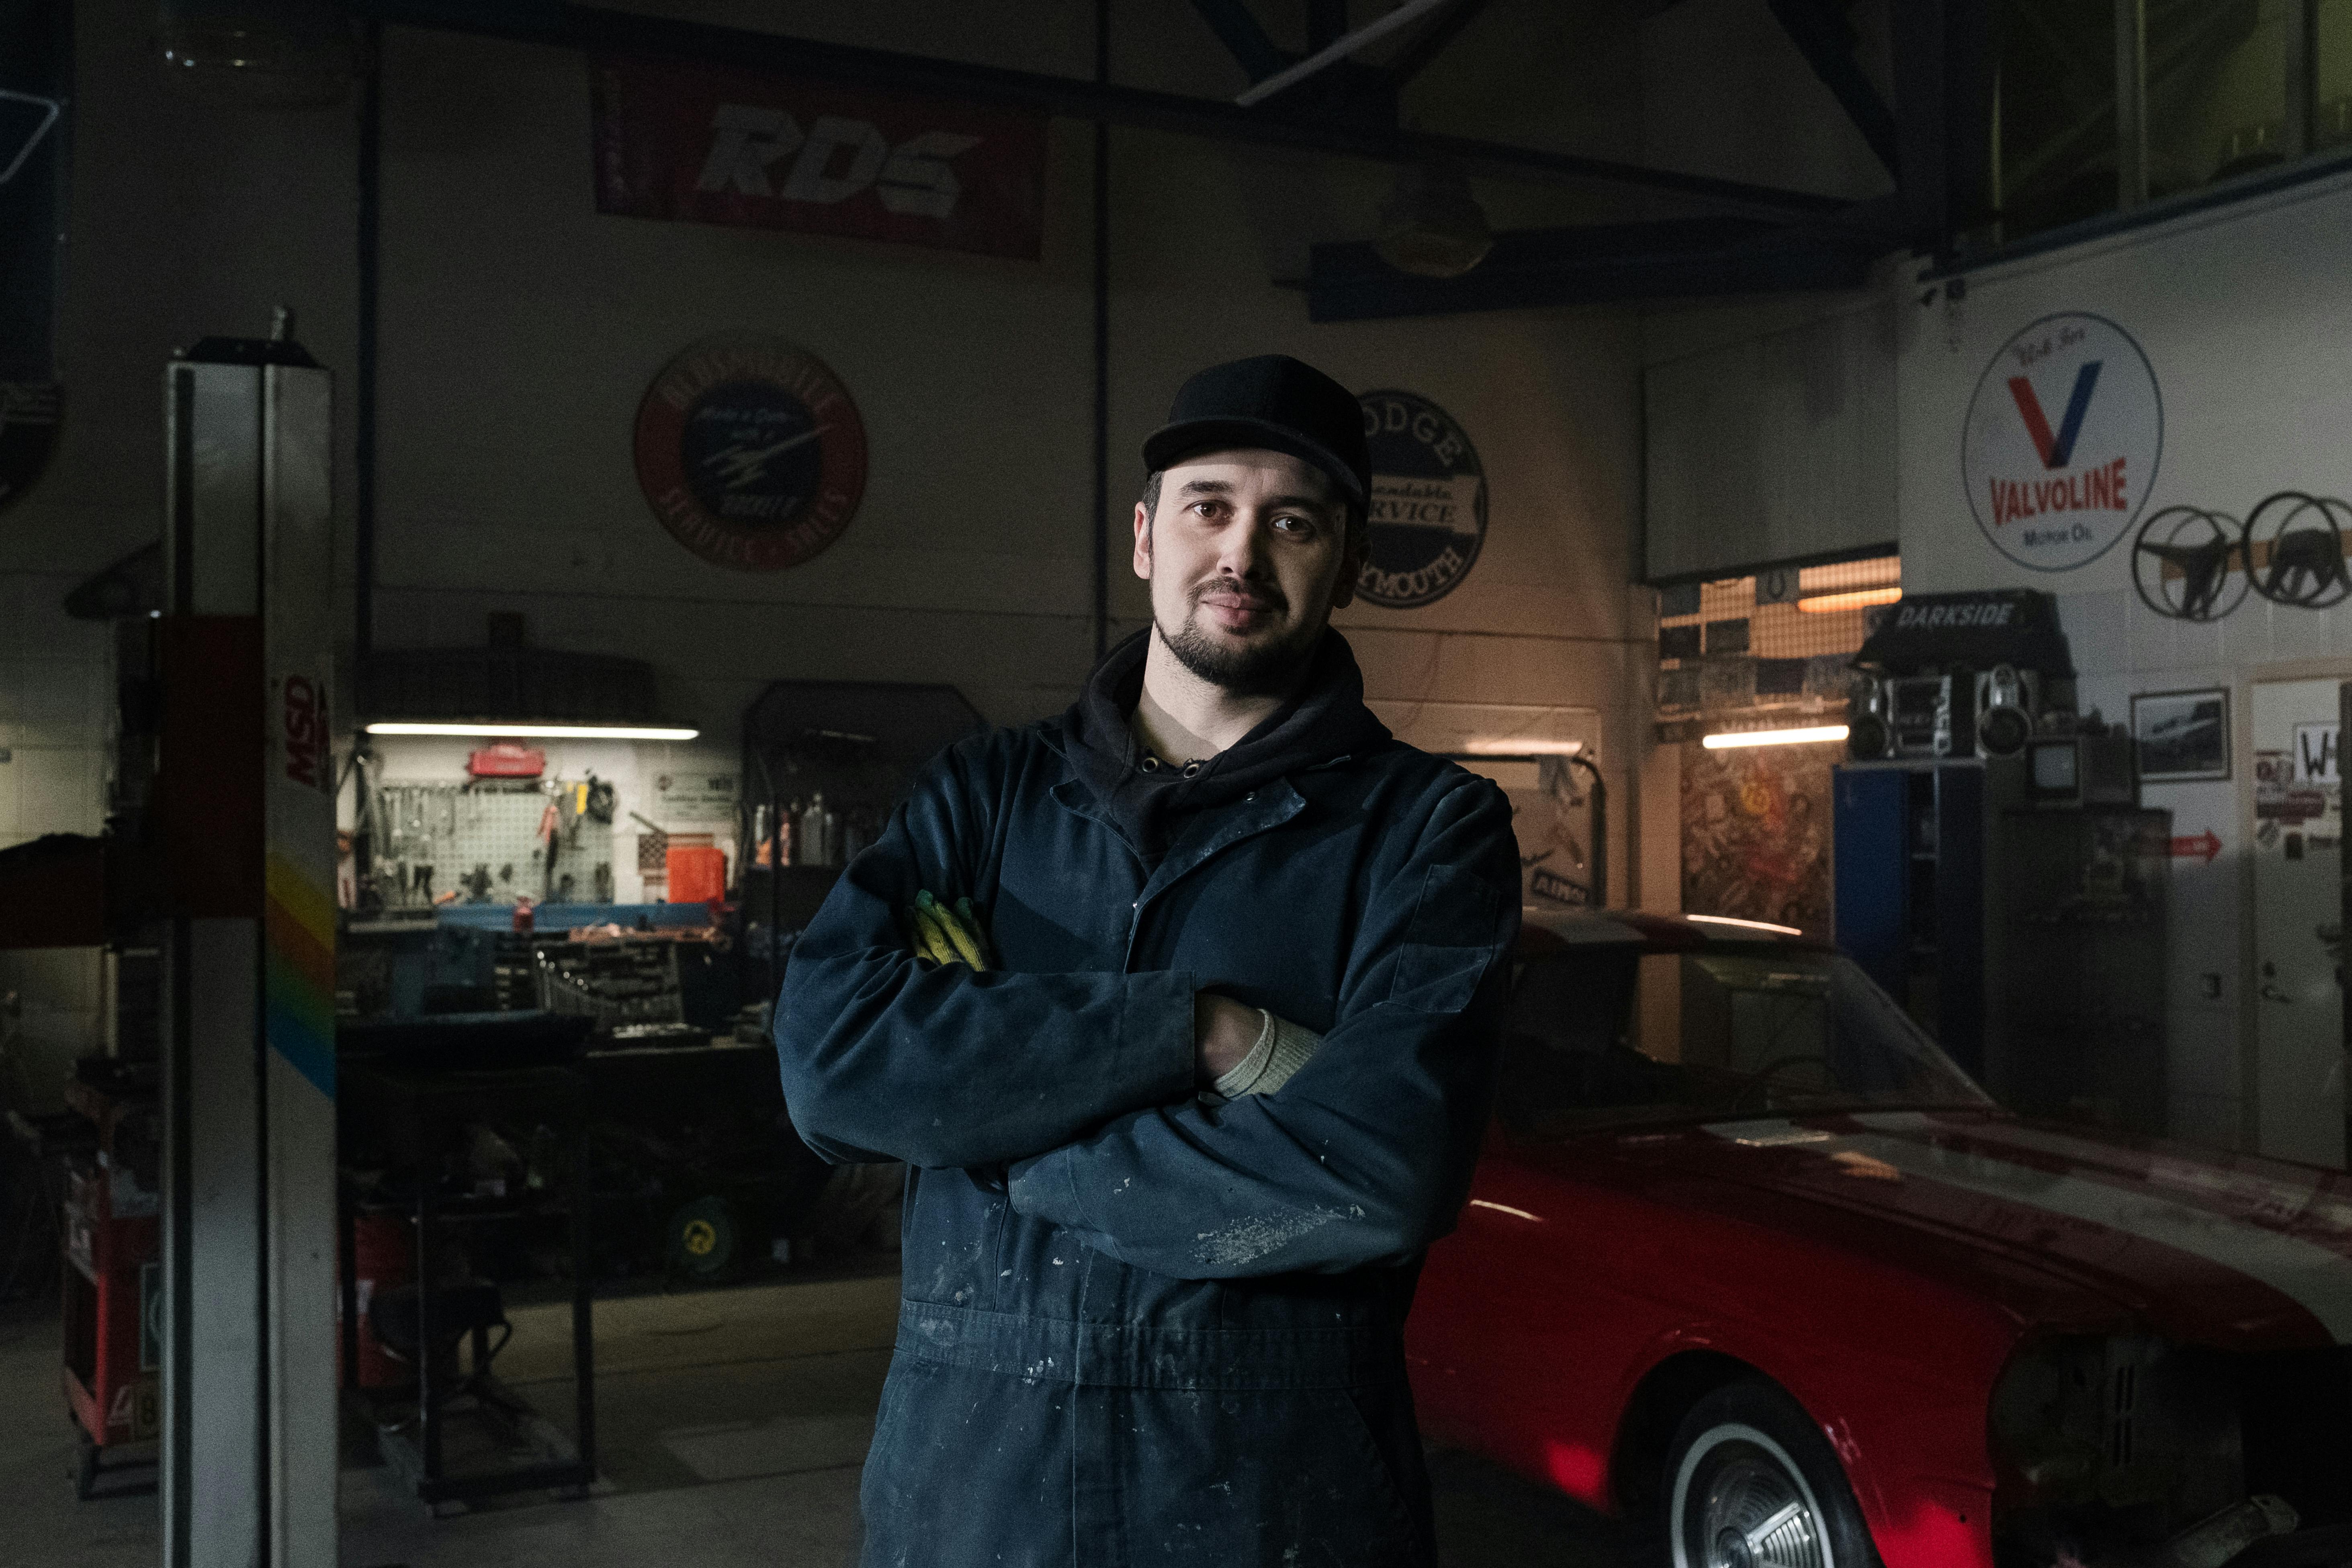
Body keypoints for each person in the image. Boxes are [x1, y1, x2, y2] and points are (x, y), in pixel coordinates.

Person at [774, 353, 1522, 1567]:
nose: (1242, 552)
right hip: (971, 1506)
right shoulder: (987, 794)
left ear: (1347, 562)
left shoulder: (1427, 833)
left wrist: (996, 1134)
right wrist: (1197, 1033)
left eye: (1295, 521)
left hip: (1273, 1510)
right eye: (1209, 505)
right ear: (1145, 536)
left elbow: (1378, 1174)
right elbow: (831, 1065)